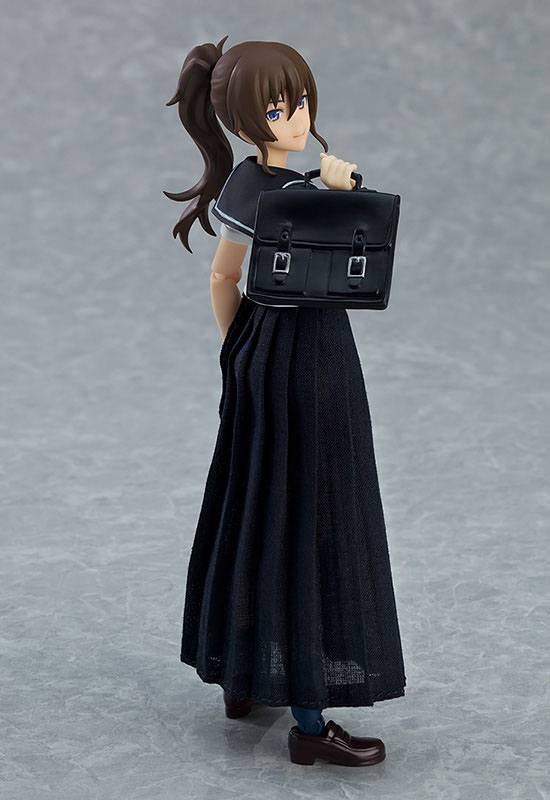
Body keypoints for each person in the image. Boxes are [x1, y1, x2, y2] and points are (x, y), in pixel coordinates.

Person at [164, 36, 406, 767]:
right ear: (245, 120)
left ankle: (245, 678)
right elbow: (228, 272)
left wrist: (239, 350)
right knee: (313, 512)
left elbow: (224, 284)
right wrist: (338, 188)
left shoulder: (254, 185)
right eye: (277, 109)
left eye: (300, 102)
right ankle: (307, 720)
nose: (296, 118)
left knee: (260, 506)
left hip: (265, 349)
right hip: (307, 356)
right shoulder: (266, 191)